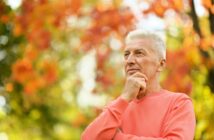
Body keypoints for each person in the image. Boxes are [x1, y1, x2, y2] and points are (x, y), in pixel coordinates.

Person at [81, 29, 196, 140]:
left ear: (160, 64)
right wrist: (125, 98)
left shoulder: (179, 103)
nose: (129, 60)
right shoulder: (118, 106)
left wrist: (117, 138)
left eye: (139, 53)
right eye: (126, 54)